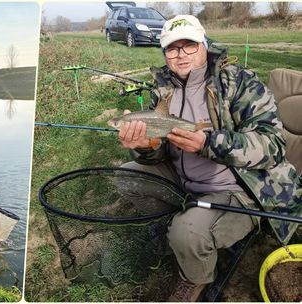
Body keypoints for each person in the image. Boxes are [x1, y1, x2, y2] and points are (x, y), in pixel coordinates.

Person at [118, 15, 302, 302]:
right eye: (172, 48)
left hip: (238, 188)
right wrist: (146, 146)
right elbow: (159, 153)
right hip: (184, 177)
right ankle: (182, 224)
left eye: (188, 45)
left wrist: (208, 142)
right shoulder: (163, 91)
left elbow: (273, 144)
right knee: (128, 176)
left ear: (203, 44)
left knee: (187, 232)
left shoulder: (240, 82)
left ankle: (195, 276)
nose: (180, 55)